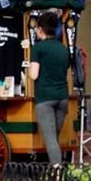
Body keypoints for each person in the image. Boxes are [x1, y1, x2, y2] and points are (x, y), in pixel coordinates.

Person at [26, 11, 71, 167]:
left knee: (51, 139)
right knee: (54, 139)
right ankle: (54, 169)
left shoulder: (38, 48)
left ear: (40, 29)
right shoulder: (63, 49)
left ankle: (57, 175)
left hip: (45, 98)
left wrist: (27, 67)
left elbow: (33, 74)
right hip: (63, 98)